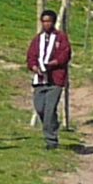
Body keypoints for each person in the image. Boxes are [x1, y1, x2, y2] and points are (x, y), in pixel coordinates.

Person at [27, 8, 73, 148]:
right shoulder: (37, 39)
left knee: (49, 109)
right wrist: (36, 68)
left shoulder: (60, 38)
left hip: (55, 80)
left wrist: (51, 65)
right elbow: (31, 57)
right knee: (40, 108)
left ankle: (51, 140)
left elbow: (64, 55)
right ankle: (53, 124)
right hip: (40, 81)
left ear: (53, 22)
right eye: (44, 21)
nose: (46, 24)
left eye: (49, 21)